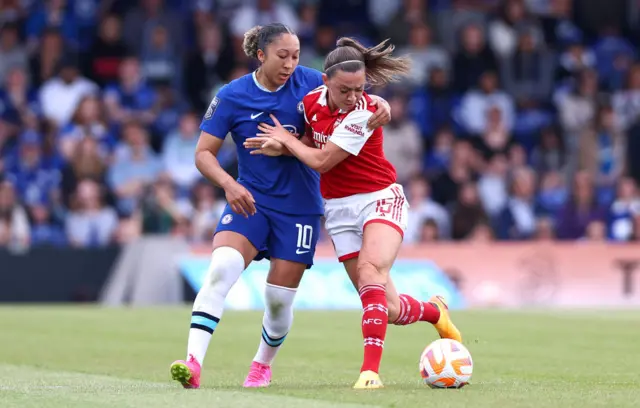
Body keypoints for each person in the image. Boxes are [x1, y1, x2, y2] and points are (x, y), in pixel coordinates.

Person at [169, 23, 392, 389]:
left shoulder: (310, 82)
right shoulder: (232, 95)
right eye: (282, 56)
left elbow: (353, 93)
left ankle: (261, 365)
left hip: (300, 208)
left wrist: (380, 103)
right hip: (250, 201)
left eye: (296, 56)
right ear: (261, 55)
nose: (290, 64)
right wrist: (228, 184)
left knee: (276, 302)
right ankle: (193, 363)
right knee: (221, 269)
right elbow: (203, 154)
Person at [245, 37, 462, 389]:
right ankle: (436, 311)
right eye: (345, 90)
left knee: (369, 270)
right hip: (339, 210)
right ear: (325, 82)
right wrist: (282, 144)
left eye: (360, 89)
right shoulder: (310, 101)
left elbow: (320, 160)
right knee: (388, 309)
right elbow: (308, 140)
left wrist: (286, 142)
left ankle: (370, 373)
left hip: (379, 198)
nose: (353, 97)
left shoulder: (364, 113)